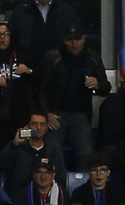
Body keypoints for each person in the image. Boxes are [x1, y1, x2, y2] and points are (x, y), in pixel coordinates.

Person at [41, 24, 109, 173]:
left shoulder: (93, 58)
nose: (74, 44)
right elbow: (41, 90)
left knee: (86, 152)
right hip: (56, 114)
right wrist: (47, 113)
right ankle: (58, 186)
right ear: (64, 40)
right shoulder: (53, 58)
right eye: (70, 40)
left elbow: (106, 88)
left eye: (77, 39)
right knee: (52, 150)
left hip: (81, 114)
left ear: (83, 39)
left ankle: (82, 188)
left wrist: (97, 84)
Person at [0, 21, 40, 153]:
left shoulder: (22, 56)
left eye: (5, 34)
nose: (2, 38)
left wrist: (28, 71)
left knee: (23, 151)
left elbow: (39, 81)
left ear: (11, 37)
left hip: (21, 115)